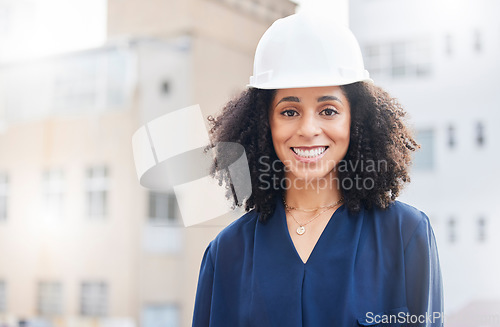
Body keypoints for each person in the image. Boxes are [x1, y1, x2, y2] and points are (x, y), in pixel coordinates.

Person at [192, 12, 443, 327]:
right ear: (263, 122)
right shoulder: (227, 254)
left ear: (356, 119)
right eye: (289, 111)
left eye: (328, 110)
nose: (309, 128)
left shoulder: (405, 234)